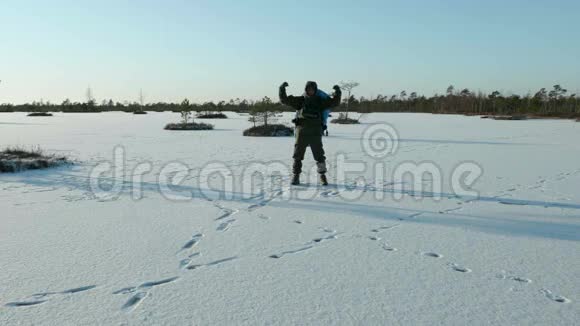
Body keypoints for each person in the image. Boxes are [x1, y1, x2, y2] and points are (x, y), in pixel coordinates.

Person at [279, 81, 341, 186]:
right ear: (306, 90)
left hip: (315, 132)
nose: (310, 91)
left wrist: (337, 92)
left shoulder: (321, 101)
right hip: (302, 131)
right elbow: (284, 100)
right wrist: (282, 89)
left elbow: (335, 102)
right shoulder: (301, 101)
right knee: (297, 155)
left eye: (312, 89)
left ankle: (322, 176)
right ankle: (296, 175)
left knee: (319, 155)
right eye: (308, 89)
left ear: (315, 90)